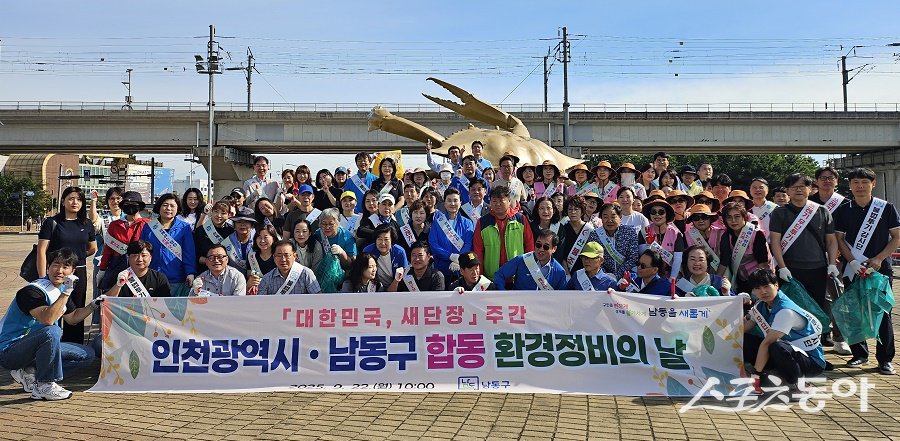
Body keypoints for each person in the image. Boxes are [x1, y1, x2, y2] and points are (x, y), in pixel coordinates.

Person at [0, 248, 97, 400]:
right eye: (55, 265)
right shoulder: (33, 291)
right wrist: (67, 292)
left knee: (86, 355)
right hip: (9, 351)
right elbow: (47, 319)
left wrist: (94, 305)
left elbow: (72, 318)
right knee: (52, 331)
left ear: (73, 271)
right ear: (48, 267)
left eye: (65, 267)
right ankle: (45, 385)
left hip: (34, 348)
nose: (59, 270)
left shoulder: (61, 289)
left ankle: (30, 371)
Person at [834, 167, 899, 374]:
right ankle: (859, 354)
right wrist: (852, 261)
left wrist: (880, 258)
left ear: (873, 184)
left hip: (880, 269)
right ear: (850, 185)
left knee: (882, 311)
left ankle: (885, 359)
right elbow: (839, 239)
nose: (860, 186)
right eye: (855, 182)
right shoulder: (843, 210)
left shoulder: (886, 208)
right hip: (853, 269)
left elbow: (897, 237)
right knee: (854, 311)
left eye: (864, 182)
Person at [769, 173, 840, 346]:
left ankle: (815, 349)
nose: (799, 190)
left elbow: (831, 240)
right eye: (794, 187)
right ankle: (794, 347)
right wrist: (782, 266)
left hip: (818, 268)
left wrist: (831, 263)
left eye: (803, 186)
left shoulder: (822, 211)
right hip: (791, 270)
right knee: (792, 310)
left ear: (810, 189)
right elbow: (775, 241)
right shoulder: (780, 213)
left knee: (816, 308)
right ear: (787, 191)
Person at [743, 268, 826, 393]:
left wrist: (756, 376)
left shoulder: (785, 311)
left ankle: (799, 383)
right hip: (787, 354)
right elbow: (744, 328)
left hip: (811, 362)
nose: (763, 291)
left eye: (766, 286)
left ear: (777, 285)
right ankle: (772, 374)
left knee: (776, 346)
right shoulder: (761, 305)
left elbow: (768, 342)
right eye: (758, 288)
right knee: (743, 339)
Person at [37, 186, 97, 344]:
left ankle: (75, 348)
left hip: (78, 274)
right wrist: (43, 277)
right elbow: (42, 251)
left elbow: (92, 248)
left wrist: (75, 260)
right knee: (53, 309)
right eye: (71, 198)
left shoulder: (87, 223)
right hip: (55, 275)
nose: (75, 202)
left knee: (76, 311)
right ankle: (51, 345)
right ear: (63, 201)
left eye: (79, 199)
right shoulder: (52, 223)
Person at [139, 193, 197, 297]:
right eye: (165, 205)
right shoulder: (149, 227)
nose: (168, 208)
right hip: (152, 276)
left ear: (177, 208)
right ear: (159, 207)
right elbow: (141, 251)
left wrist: (190, 272)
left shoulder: (184, 228)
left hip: (176, 278)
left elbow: (189, 252)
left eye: (172, 205)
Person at [473, 185, 535, 281]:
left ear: (509, 201)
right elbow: (478, 250)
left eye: (501, 200)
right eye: (494, 201)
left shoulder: (521, 219)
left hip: (517, 275)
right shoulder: (482, 222)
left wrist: (527, 270)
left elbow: (529, 245)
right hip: (492, 277)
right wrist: (480, 275)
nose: (498, 204)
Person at [97, 191, 148, 294]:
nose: (130, 207)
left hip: (139, 267)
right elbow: (108, 250)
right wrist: (102, 269)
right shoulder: (114, 225)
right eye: (126, 204)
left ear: (139, 206)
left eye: (134, 204)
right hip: (117, 268)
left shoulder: (147, 224)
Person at [717, 201, 772, 294]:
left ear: (744, 217)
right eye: (729, 217)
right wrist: (715, 281)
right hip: (739, 279)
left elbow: (763, 263)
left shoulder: (756, 234)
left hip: (759, 278)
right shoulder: (726, 235)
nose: (733, 221)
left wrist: (760, 286)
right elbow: (724, 260)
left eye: (737, 216)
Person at [89, 186, 124, 319]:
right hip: (102, 263)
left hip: (123, 263)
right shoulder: (103, 218)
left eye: (118, 198)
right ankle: (99, 324)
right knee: (100, 295)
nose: (115, 201)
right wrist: (93, 201)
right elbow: (93, 220)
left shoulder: (128, 217)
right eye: (112, 198)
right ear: (108, 201)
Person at [494, 230, 567, 291]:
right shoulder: (521, 260)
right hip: (520, 306)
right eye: (538, 245)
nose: (541, 249)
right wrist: (503, 295)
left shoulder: (559, 272)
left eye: (546, 247)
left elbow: (562, 297)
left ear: (554, 249)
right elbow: (500, 274)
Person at [429, 187, 474, 279]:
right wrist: (450, 256)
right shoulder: (437, 222)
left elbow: (468, 243)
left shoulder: (468, 222)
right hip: (441, 269)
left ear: (460, 203)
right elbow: (433, 244)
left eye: (455, 200)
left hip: (461, 269)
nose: (452, 203)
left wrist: (459, 259)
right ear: (444, 203)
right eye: (449, 200)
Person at [104, 240, 172, 298]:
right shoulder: (119, 275)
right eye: (135, 256)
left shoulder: (159, 278)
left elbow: (166, 304)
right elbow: (106, 301)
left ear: (150, 257)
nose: (139, 259)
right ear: (128, 258)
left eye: (144, 255)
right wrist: (118, 285)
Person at [311, 208, 356, 293]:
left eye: (331, 224)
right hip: (320, 275)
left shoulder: (347, 237)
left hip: (341, 278)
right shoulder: (317, 234)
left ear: (338, 223)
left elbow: (351, 264)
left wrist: (342, 253)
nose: (327, 227)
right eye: (324, 224)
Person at [639, 198, 685, 280]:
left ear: (666, 214)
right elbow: (642, 256)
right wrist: (648, 245)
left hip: (671, 276)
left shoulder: (676, 234)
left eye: (661, 212)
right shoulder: (643, 232)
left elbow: (677, 260)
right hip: (649, 276)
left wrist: (671, 280)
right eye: (653, 212)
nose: (657, 215)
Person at [555, 195, 601, 274]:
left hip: (587, 271)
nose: (573, 212)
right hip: (567, 270)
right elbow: (560, 253)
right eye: (570, 209)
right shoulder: (562, 229)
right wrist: (566, 272)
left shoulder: (589, 229)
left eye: (576, 209)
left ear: (582, 211)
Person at [257, 240, 321, 295]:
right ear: (274, 257)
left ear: (295, 256)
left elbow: (318, 298)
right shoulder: (267, 279)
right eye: (279, 255)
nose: (283, 259)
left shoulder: (306, 274)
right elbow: (261, 303)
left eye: (287, 255)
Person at [596, 202, 640, 280]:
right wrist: (606, 276)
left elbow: (633, 257)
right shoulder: (595, 234)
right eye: (605, 217)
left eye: (613, 216)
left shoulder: (630, 232)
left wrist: (617, 275)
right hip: (603, 278)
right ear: (601, 218)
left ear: (620, 217)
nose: (609, 220)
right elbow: (595, 258)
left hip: (628, 276)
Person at [193, 200, 235, 272]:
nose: (218, 215)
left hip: (226, 272)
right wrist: (209, 261)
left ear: (228, 215)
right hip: (204, 271)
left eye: (223, 213)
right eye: (216, 211)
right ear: (211, 212)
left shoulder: (231, 231)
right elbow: (195, 254)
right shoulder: (202, 230)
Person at [363, 224, 409, 288]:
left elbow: (405, 274)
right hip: (374, 287)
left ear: (392, 240)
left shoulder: (399, 252)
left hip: (397, 287)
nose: (383, 243)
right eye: (379, 239)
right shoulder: (368, 251)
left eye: (386, 239)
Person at [684, 204, 724, 274]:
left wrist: (718, 277)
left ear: (710, 219)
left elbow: (726, 257)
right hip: (697, 276)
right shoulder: (686, 236)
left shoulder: (721, 233)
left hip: (721, 274)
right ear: (692, 221)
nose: (701, 221)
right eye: (696, 218)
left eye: (704, 217)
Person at [225, 207, 256, 274]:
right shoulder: (227, 241)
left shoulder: (258, 239)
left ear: (252, 225)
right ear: (234, 225)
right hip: (233, 278)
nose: (242, 224)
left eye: (246, 222)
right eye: (239, 222)